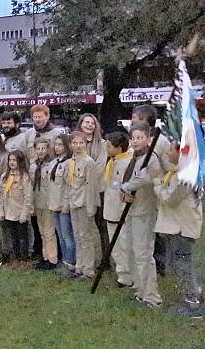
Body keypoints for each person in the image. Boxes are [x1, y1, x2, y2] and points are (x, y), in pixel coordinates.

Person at [153, 140, 204, 317]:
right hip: (177, 226)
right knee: (177, 263)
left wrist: (157, 185)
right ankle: (194, 293)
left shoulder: (185, 176)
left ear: (181, 153)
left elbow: (170, 198)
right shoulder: (179, 172)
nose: (167, 154)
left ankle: (193, 303)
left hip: (182, 228)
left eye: (171, 150)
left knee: (182, 264)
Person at [119, 123, 163, 307]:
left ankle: (152, 297)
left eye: (140, 137)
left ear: (148, 139)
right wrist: (124, 193)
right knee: (131, 250)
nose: (136, 141)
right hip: (132, 209)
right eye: (133, 138)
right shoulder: (135, 158)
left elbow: (143, 179)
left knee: (143, 254)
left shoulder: (151, 159)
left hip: (144, 211)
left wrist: (126, 187)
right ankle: (140, 289)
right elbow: (128, 179)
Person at [132, 104, 172, 276]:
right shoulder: (134, 138)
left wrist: (162, 183)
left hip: (154, 191)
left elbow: (169, 167)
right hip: (137, 193)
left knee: (156, 231)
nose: (134, 121)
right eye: (133, 118)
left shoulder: (160, 142)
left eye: (138, 119)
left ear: (148, 121)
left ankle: (160, 264)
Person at [77, 113, 109, 270]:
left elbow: (99, 166)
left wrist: (83, 175)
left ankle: (105, 259)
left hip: (97, 189)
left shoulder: (102, 144)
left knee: (101, 225)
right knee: (84, 227)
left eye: (92, 123)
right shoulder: (75, 142)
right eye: (86, 122)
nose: (89, 125)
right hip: (79, 190)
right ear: (81, 124)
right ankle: (87, 260)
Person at [67, 131, 101, 280]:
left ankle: (89, 269)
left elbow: (91, 187)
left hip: (84, 204)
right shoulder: (71, 161)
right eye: (75, 143)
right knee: (77, 236)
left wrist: (91, 208)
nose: (78, 146)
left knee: (86, 237)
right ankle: (79, 266)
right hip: (73, 203)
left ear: (85, 144)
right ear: (71, 145)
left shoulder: (89, 162)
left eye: (81, 143)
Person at [103, 131, 134, 288]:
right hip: (110, 209)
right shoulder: (113, 161)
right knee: (115, 245)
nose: (106, 148)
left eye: (109, 145)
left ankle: (128, 276)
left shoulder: (127, 163)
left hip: (120, 211)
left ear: (119, 147)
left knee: (123, 245)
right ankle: (121, 273)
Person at [0, 150, 33, 263]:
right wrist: (1, 211)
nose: (12, 162)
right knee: (13, 236)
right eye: (10, 160)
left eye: (14, 160)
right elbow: (1, 196)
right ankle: (16, 257)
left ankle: (24, 258)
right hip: (9, 212)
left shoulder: (24, 177)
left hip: (20, 212)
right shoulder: (5, 176)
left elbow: (28, 197)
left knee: (23, 237)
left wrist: (24, 214)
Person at [30, 138, 58, 270]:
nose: (40, 151)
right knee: (41, 231)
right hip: (37, 201)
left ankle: (52, 259)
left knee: (49, 232)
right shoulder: (33, 165)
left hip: (48, 202)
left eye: (43, 148)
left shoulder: (52, 164)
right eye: (38, 148)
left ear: (48, 150)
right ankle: (45, 256)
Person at [48, 134, 75, 271]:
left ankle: (71, 262)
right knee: (60, 235)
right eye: (56, 145)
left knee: (67, 236)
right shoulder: (54, 162)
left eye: (60, 145)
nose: (57, 147)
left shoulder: (69, 163)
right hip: (54, 204)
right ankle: (64, 260)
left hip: (64, 205)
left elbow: (68, 186)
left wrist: (66, 204)